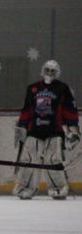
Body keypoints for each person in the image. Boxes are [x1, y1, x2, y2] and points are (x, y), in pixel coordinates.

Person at [13, 60, 80, 200]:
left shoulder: (62, 88)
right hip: (34, 130)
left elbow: (70, 110)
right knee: (28, 158)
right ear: (43, 70)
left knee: (52, 159)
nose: (49, 73)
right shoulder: (32, 88)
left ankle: (58, 188)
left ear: (57, 73)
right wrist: (22, 125)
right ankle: (25, 188)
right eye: (47, 70)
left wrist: (73, 130)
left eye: (52, 71)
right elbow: (27, 109)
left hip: (54, 131)